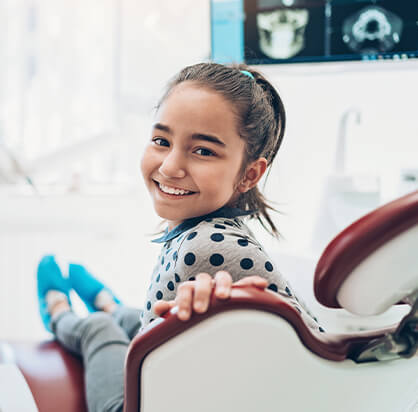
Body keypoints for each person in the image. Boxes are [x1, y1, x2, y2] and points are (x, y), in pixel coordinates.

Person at [36, 62, 321, 412]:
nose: (170, 166)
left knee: (97, 329)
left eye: (203, 150)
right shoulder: (206, 230)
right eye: (161, 141)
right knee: (136, 318)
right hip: (180, 375)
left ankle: (59, 311)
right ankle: (109, 304)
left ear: (249, 174)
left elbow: (314, 353)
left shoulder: (208, 248)